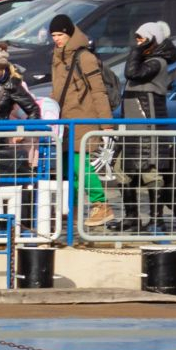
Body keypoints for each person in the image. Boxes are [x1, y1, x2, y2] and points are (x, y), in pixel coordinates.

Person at [51, 13, 120, 229]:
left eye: (60, 34)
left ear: (69, 34)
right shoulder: (58, 56)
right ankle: (71, 213)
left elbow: (98, 91)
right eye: (53, 35)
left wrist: (106, 124)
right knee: (67, 167)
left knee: (80, 163)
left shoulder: (84, 57)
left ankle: (101, 204)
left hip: (84, 119)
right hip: (64, 121)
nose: (56, 39)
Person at [121, 22, 176, 233]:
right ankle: (131, 217)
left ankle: (156, 219)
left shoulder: (157, 62)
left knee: (150, 172)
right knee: (122, 170)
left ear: (153, 39)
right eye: (136, 38)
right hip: (131, 128)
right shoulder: (144, 59)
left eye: (142, 38)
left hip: (148, 125)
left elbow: (132, 73)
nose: (138, 42)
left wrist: (136, 51)